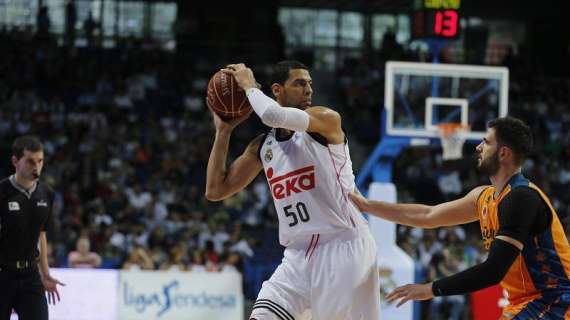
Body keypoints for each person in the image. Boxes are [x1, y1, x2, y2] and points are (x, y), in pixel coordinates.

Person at [206, 61, 379, 320]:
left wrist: (250, 85)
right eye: (299, 83)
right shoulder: (263, 146)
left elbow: (272, 116)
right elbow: (215, 190)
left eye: (310, 83)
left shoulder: (326, 120)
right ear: (277, 90)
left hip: (343, 248)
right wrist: (223, 131)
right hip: (297, 256)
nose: (308, 89)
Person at [349, 117, 570, 319]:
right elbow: (428, 215)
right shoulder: (483, 197)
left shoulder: (521, 198)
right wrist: (368, 206)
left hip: (556, 301)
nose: (478, 147)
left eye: (486, 142)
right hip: (524, 303)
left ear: (503, 153)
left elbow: (493, 271)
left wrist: (429, 289)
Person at [0, 135, 65, 320]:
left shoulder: (47, 194)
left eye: (40, 161)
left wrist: (45, 274)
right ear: (15, 161)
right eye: (29, 161)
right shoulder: (2, 192)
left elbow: (41, 235)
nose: (36, 166)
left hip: (30, 276)